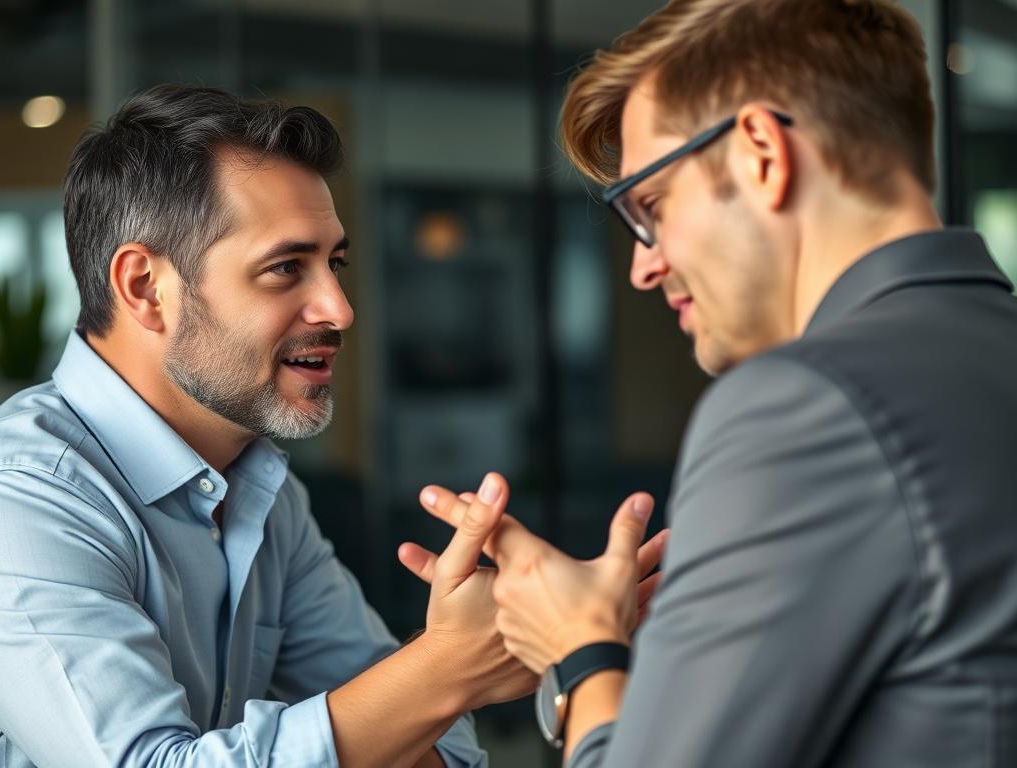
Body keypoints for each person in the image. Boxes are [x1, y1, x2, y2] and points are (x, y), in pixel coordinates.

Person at [414, 1, 1017, 766]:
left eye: (653, 207)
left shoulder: (802, 406)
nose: (643, 265)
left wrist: (579, 650)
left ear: (762, 152)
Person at [0, 84, 555, 768]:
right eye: (286, 267)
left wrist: (438, 680)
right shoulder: (21, 497)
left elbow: (444, 751)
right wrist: (445, 670)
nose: (340, 309)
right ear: (145, 287)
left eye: (334, 264)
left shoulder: (262, 493)